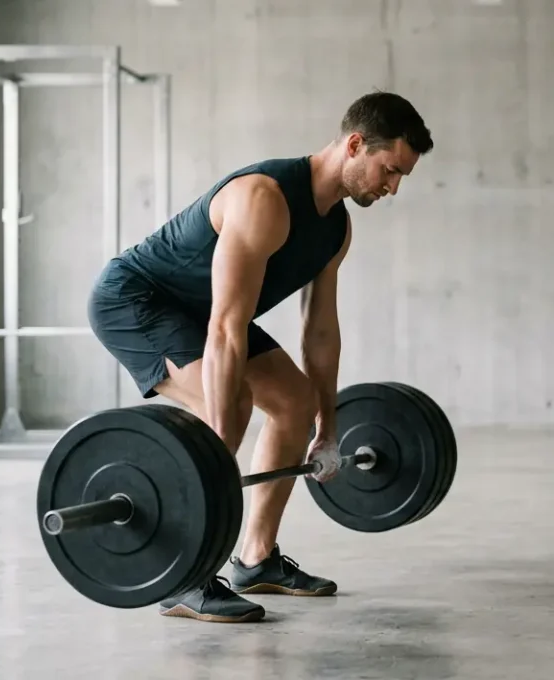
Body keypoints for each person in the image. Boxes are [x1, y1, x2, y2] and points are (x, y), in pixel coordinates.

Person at [85, 91, 433, 623]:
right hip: (137, 301)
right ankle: (184, 576)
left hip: (204, 313)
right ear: (355, 145)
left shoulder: (336, 229)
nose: (392, 187)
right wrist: (218, 445)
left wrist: (329, 428)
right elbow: (226, 327)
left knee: (294, 403)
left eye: (401, 176)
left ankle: (255, 559)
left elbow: (320, 333)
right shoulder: (264, 198)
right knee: (231, 408)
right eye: (389, 170)